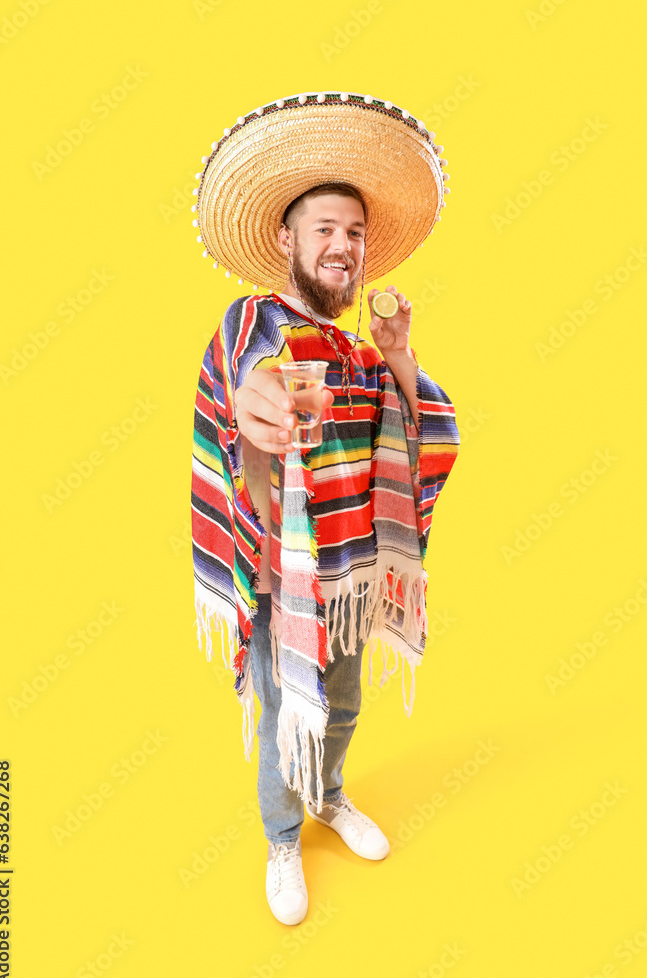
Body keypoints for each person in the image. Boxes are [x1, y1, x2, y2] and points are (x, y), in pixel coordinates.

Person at [190, 92, 460, 926]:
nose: (342, 246)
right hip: (284, 568)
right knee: (284, 704)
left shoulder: (356, 347)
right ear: (286, 239)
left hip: (350, 570)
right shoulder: (257, 320)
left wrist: (400, 356)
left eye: (353, 233)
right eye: (324, 230)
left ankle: (331, 796)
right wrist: (259, 404)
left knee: (340, 697)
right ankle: (281, 835)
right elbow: (248, 380)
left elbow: (424, 434)